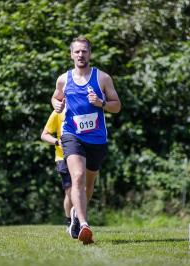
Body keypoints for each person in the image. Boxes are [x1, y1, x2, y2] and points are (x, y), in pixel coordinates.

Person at [51, 36, 121, 244]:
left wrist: (101, 103)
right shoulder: (64, 79)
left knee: (88, 185)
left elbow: (117, 106)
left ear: (90, 54)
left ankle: (75, 215)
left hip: (97, 139)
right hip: (71, 134)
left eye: (84, 51)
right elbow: (55, 96)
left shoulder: (102, 78)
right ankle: (84, 224)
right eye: (77, 51)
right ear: (71, 54)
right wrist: (56, 104)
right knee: (78, 177)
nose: (81, 55)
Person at [40, 109, 74, 235]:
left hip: (79, 155)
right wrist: (57, 141)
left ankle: (79, 219)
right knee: (70, 191)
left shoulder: (80, 108)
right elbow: (44, 135)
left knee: (81, 188)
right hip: (62, 158)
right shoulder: (57, 113)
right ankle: (69, 221)